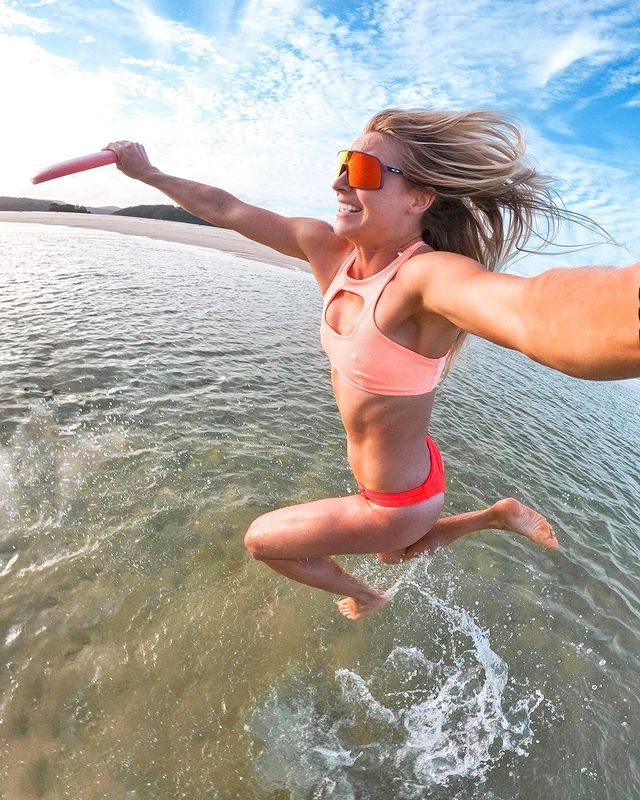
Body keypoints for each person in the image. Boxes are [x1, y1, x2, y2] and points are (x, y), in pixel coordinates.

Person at [105, 108, 639, 621]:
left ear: (419, 198)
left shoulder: (425, 278)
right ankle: (493, 516)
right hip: (411, 472)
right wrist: (149, 173)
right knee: (393, 550)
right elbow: (227, 209)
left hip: (398, 500)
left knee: (264, 541)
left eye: (361, 171)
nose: (339, 182)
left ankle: (367, 596)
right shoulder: (327, 251)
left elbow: (530, 312)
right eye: (343, 163)